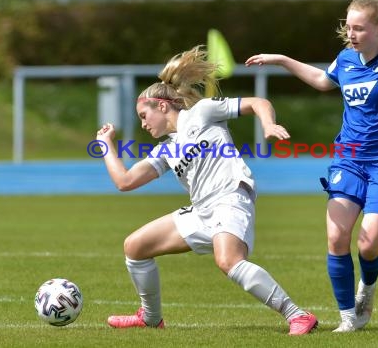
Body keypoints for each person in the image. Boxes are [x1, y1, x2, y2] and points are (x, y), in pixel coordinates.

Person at [245, 0, 378, 332]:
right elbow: (322, 81)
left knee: (368, 245)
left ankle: (366, 289)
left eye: (359, 28)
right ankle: (347, 318)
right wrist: (281, 59)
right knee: (337, 239)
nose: (351, 33)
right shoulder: (345, 60)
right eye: (348, 27)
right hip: (349, 160)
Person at [95, 45, 318, 335]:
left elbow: (257, 102)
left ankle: (297, 315)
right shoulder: (167, 149)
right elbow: (125, 182)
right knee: (134, 247)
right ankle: (150, 318)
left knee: (228, 261)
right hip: (202, 211)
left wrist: (268, 124)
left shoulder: (200, 112)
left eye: (143, 114)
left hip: (230, 198)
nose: (142, 123)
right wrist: (106, 147)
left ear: (162, 106)